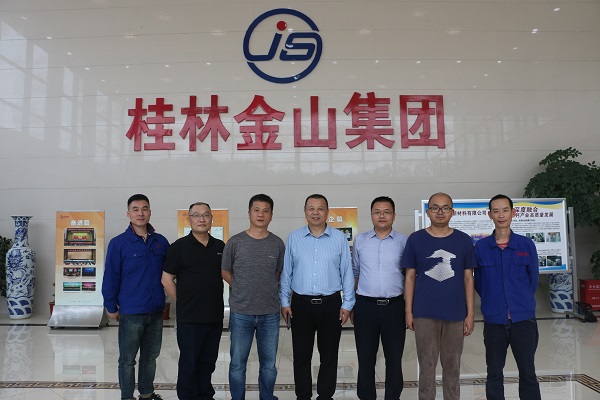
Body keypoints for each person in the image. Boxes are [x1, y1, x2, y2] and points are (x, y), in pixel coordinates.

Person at [280, 194, 356, 400]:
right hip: (300, 304)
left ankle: (325, 395)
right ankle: (303, 396)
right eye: (311, 208)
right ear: (305, 211)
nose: (315, 213)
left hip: (331, 304)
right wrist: (285, 301)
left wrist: (348, 304)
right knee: (301, 356)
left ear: (327, 212)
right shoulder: (294, 237)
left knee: (329, 356)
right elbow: (287, 273)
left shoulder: (339, 238)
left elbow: (347, 273)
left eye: (320, 208)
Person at [402, 192, 476, 400]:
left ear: (452, 212)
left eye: (445, 208)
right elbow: (410, 277)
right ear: (428, 212)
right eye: (435, 208)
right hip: (424, 313)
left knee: (452, 366)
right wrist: (409, 311)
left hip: (455, 313)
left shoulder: (463, 240)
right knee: (426, 366)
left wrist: (470, 314)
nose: (440, 212)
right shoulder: (416, 239)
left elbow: (468, 278)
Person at [474, 194, 541, 400]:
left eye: (505, 210)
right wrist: (493, 301)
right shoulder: (481, 247)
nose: (501, 215)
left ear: (513, 213)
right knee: (494, 372)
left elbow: (533, 279)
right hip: (494, 319)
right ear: (490, 215)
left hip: (523, 319)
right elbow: (479, 283)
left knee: (528, 371)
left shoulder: (526, 245)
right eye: (496, 211)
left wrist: (520, 301)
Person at [102, 194, 169, 400]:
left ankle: (146, 394)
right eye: (136, 209)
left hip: (156, 310)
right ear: (128, 213)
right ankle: (127, 396)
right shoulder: (119, 243)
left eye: (144, 208)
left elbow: (170, 273)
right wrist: (110, 306)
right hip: (131, 311)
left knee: (150, 357)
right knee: (127, 359)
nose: (140, 213)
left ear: (150, 212)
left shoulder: (160, 242)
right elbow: (111, 276)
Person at [221, 194, 286, 400]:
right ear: (249, 213)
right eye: (256, 210)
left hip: (270, 313)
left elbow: (278, 274)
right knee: (237, 364)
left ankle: (267, 396)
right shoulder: (235, 242)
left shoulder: (277, 243)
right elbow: (225, 270)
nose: (261, 214)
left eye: (266, 211)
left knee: (269, 365)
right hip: (242, 312)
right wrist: (241, 286)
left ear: (271, 215)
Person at [161, 202, 225, 400]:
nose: (201, 219)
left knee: (208, 361)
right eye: (196, 215)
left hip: (214, 316)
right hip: (189, 318)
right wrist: (182, 301)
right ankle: (188, 396)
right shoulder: (179, 247)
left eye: (206, 215)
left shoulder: (220, 247)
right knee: (189, 362)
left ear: (211, 219)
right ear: (189, 219)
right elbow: (166, 279)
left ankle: (205, 395)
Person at [351, 196, 408, 400]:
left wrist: (409, 309)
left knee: (394, 359)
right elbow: (355, 272)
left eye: (386, 212)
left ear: (394, 215)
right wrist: (352, 305)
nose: (382, 216)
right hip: (365, 306)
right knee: (366, 359)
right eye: (377, 212)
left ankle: (393, 396)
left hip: (395, 307)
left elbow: (409, 275)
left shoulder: (404, 241)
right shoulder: (360, 240)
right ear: (371, 215)